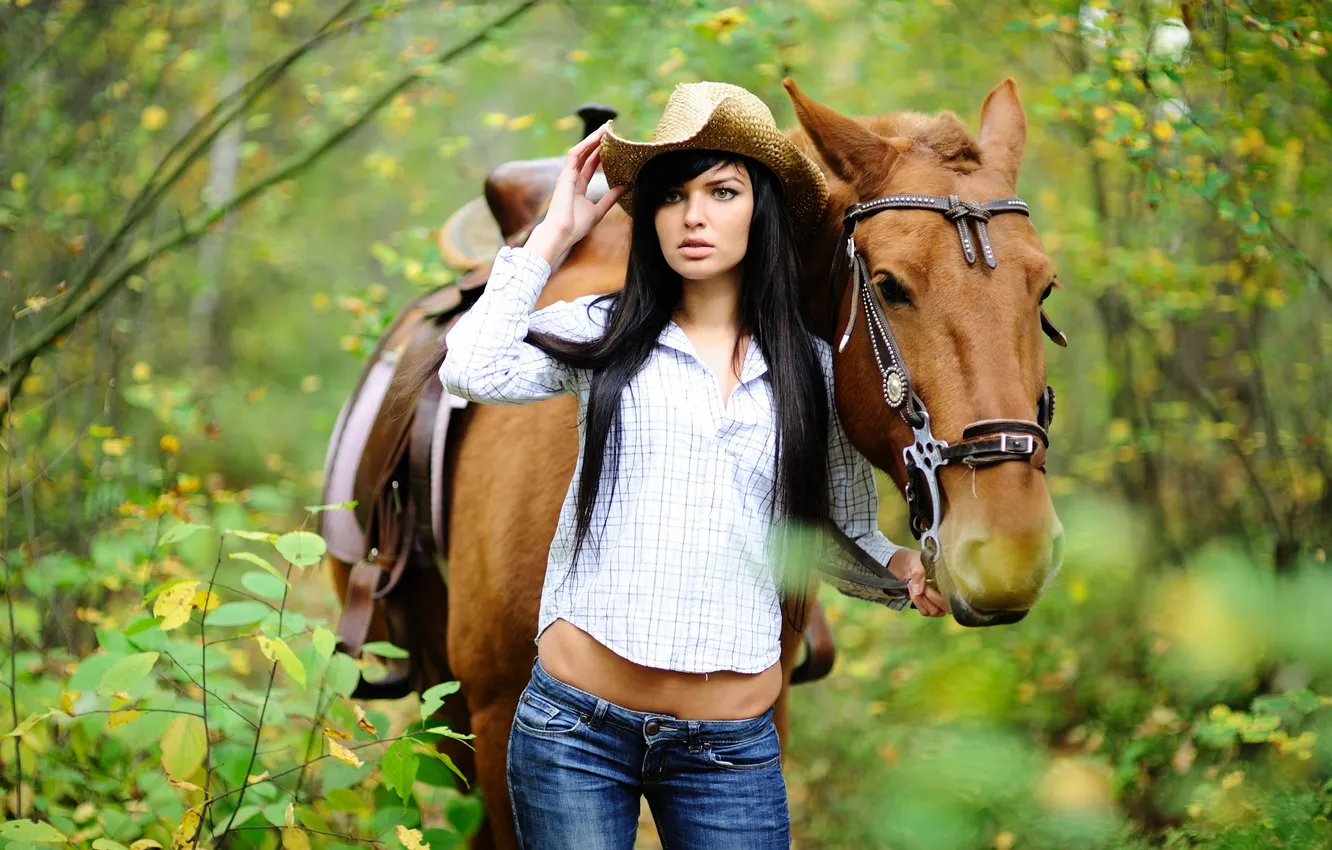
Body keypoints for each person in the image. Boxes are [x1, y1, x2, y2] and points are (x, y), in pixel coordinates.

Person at [438, 81, 947, 850]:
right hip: (574, 731)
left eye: (722, 191)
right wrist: (553, 236)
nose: (694, 216)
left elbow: (834, 533)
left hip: (729, 750)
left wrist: (901, 570)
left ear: (762, 208)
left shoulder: (813, 369)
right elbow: (471, 368)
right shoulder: (605, 331)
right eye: (673, 196)